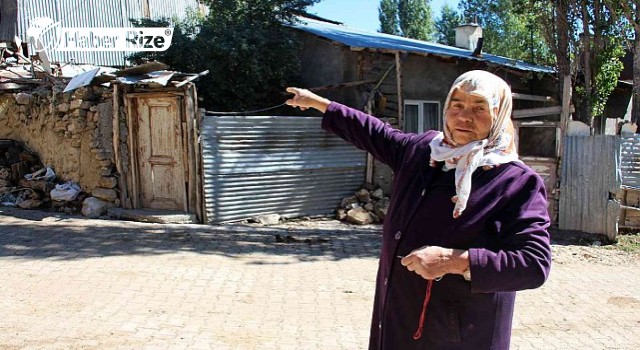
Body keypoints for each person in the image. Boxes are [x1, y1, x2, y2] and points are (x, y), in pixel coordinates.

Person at [285, 70, 552, 350]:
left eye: (479, 108)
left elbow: (533, 264)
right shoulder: (423, 152)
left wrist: (454, 260)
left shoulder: (515, 181)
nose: (463, 117)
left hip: (462, 336)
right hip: (399, 323)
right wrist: (320, 104)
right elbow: (374, 132)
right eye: (457, 105)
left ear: (498, 114)